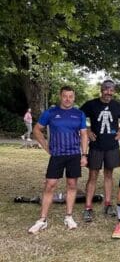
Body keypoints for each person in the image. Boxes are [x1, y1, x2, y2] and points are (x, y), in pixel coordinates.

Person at [28, 86, 88, 234]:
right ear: (60, 97)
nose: (68, 99)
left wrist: (84, 154)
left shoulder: (79, 114)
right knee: (50, 184)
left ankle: (68, 216)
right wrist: (46, 146)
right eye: (65, 96)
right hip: (57, 155)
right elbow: (36, 129)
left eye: (70, 96)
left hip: (74, 154)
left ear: (74, 98)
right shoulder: (51, 112)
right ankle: (42, 220)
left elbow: (84, 135)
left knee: (72, 184)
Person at [80, 79, 120, 222]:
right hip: (96, 146)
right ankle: (88, 207)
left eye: (111, 89)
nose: (108, 92)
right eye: (106, 89)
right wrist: (87, 130)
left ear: (114, 91)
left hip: (111, 146)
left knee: (109, 175)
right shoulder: (91, 104)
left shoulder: (117, 105)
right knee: (93, 176)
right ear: (101, 89)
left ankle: (107, 204)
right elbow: (80, 116)